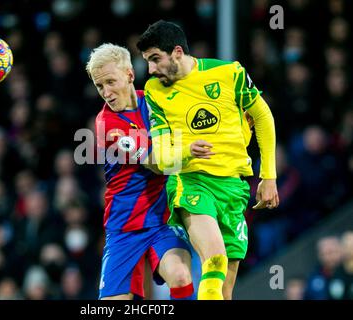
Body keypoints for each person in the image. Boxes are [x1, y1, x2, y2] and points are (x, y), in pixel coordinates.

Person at [136, 20, 279, 300]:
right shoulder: (155, 91)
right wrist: (188, 151)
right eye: (147, 62)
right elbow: (164, 157)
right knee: (214, 259)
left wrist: (269, 175)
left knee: (224, 290)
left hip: (234, 187)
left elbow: (263, 116)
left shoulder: (229, 73)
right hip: (191, 182)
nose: (150, 69)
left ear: (177, 52)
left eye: (155, 59)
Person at [85, 43, 195, 300]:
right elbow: (159, 164)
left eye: (111, 82)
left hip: (162, 221)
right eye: (100, 86)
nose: (106, 93)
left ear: (129, 75)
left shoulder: (155, 101)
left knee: (180, 276)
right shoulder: (108, 125)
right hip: (124, 227)